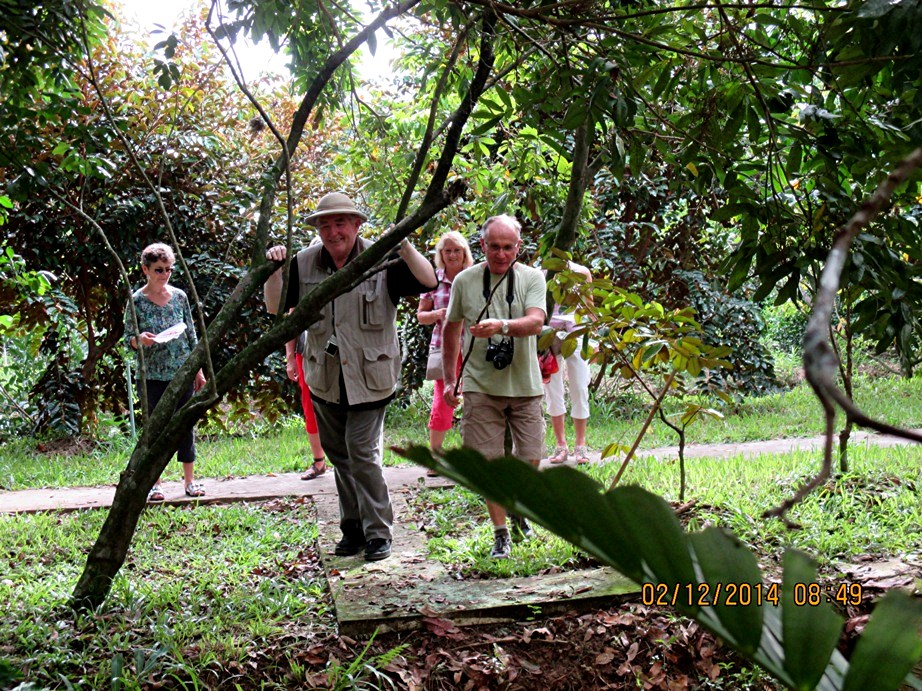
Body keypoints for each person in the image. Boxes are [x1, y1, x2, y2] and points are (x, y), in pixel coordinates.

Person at [264, 192, 437, 562]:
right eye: (325, 224)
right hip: (325, 377)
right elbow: (275, 306)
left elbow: (429, 281)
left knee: (361, 452)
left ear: (357, 225)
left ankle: (378, 532)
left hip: (370, 376)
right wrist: (275, 269)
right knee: (340, 455)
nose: (332, 231)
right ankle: (353, 526)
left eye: (340, 222)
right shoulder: (303, 262)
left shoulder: (382, 257)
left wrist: (402, 242)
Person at [441, 214, 547, 559]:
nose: (501, 254)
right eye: (494, 247)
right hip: (480, 384)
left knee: (530, 457)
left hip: (526, 383)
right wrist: (449, 379)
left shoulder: (532, 278)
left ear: (518, 247)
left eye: (508, 247)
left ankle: (517, 508)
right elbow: (450, 329)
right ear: (482, 245)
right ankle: (501, 533)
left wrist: (501, 325)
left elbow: (534, 322)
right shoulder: (465, 282)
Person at [124, 242, 207, 502]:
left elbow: (192, 334)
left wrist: (198, 369)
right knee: (154, 430)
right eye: (159, 270)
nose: (165, 275)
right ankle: (155, 484)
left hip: (181, 372)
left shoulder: (180, 297)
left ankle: (190, 481)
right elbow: (128, 338)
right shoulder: (136, 301)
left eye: (169, 269)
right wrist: (140, 339)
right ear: (145, 269)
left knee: (185, 426)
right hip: (151, 375)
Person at [416, 231, 474, 475]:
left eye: (457, 250)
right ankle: (435, 458)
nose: (452, 255)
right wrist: (437, 315)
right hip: (443, 347)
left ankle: (476, 457)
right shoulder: (433, 280)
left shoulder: (474, 278)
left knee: (477, 399)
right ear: (441, 254)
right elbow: (421, 316)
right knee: (443, 399)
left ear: (464, 254)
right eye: (447, 250)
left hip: (473, 347)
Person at [545, 260, 593, 465]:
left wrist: (595, 339)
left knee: (580, 387)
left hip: (577, 333)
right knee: (552, 390)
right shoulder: (541, 272)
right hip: (549, 334)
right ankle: (560, 444)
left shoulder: (581, 272)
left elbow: (589, 305)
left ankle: (581, 445)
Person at [286, 331, 327, 480]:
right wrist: (290, 358)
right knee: (310, 405)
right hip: (307, 352)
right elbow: (292, 317)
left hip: (345, 350)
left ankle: (352, 462)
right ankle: (319, 462)